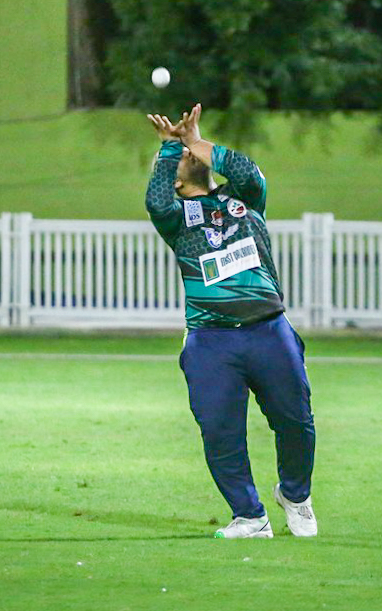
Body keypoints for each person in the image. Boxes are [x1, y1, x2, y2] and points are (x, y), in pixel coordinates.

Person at [145, 103, 317, 539]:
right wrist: (170, 148)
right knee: (220, 432)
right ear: (178, 179)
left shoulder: (244, 199)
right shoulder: (176, 219)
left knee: (296, 421)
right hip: (210, 340)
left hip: (269, 329)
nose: (189, 155)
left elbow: (250, 172)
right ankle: (250, 516)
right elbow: (156, 200)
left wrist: (196, 141)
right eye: (185, 158)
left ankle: (295, 496)